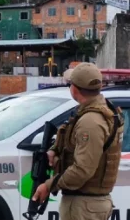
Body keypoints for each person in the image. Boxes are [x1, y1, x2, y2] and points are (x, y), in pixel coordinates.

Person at [32, 62, 124, 220]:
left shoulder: (90, 121)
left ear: (74, 89)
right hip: (87, 204)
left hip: (83, 206)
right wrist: (55, 149)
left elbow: (83, 169)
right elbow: (72, 141)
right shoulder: (99, 111)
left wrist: (48, 185)